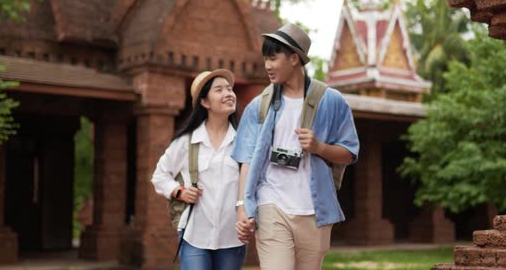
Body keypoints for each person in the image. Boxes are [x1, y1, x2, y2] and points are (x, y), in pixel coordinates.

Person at [232, 23, 360, 269]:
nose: (267, 65)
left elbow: (349, 153)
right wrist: (242, 207)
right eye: (265, 59)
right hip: (271, 205)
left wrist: (319, 147)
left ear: (294, 59)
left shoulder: (331, 101)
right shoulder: (258, 106)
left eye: (273, 58)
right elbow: (246, 161)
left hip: (315, 211)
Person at [151, 69, 246, 270]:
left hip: (233, 237)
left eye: (230, 89)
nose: (228, 93)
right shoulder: (187, 141)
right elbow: (159, 175)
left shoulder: (243, 141)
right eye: (219, 90)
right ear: (205, 102)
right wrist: (180, 192)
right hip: (194, 235)